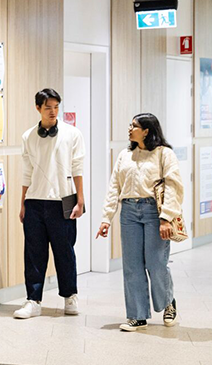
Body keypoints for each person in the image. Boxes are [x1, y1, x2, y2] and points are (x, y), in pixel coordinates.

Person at [96, 113, 183, 331]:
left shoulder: (164, 154)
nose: (129, 128)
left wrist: (166, 218)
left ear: (146, 130)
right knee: (132, 266)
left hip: (154, 212)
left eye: (134, 126)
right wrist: (106, 218)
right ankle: (136, 315)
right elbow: (114, 187)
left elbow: (173, 186)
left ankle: (168, 303)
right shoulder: (125, 155)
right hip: (129, 212)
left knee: (156, 263)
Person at [15, 88, 86, 319]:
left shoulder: (72, 134)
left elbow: (78, 168)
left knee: (65, 252)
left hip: (62, 201)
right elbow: (27, 172)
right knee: (33, 253)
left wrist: (80, 200)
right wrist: (23, 202)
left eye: (56, 107)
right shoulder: (28, 136)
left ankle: (70, 296)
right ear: (38, 108)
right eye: (48, 108)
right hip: (35, 201)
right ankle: (33, 300)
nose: (53, 111)